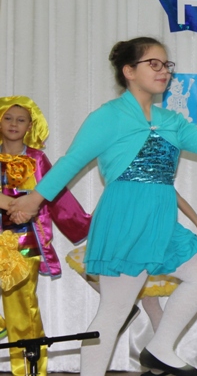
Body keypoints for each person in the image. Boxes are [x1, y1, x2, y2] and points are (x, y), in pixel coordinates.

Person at [7, 37, 197, 376]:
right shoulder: (108, 116)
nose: (164, 71)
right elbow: (71, 161)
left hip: (160, 218)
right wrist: (33, 199)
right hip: (126, 216)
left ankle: (160, 347)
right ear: (129, 71)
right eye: (153, 64)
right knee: (114, 310)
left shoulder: (171, 121)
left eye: (166, 65)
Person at [0, 96, 92, 376]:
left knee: (22, 307)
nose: (14, 124)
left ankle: (29, 371)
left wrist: (82, 224)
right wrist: (10, 204)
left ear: (30, 126)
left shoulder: (37, 159)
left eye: (21, 120)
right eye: (8, 118)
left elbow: (56, 194)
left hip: (24, 242)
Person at [65, 191, 197, 334]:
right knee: (91, 267)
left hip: (147, 243)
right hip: (125, 242)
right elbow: (103, 204)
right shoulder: (121, 181)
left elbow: (177, 198)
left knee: (150, 302)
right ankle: (131, 312)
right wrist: (90, 225)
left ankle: (161, 345)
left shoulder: (156, 179)